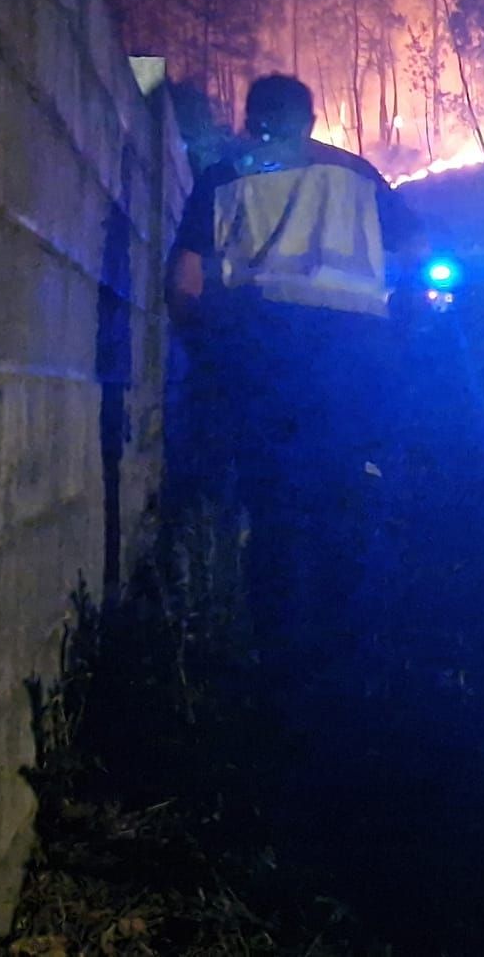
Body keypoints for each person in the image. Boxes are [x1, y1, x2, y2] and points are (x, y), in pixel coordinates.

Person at [166, 74, 422, 682]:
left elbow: (184, 282)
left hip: (262, 353)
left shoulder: (225, 177)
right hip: (354, 359)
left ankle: (278, 663)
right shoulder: (357, 173)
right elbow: (418, 249)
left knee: (273, 507)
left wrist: (208, 350)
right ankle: (353, 662)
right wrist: (403, 330)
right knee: (347, 499)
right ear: (310, 119)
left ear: (252, 119)